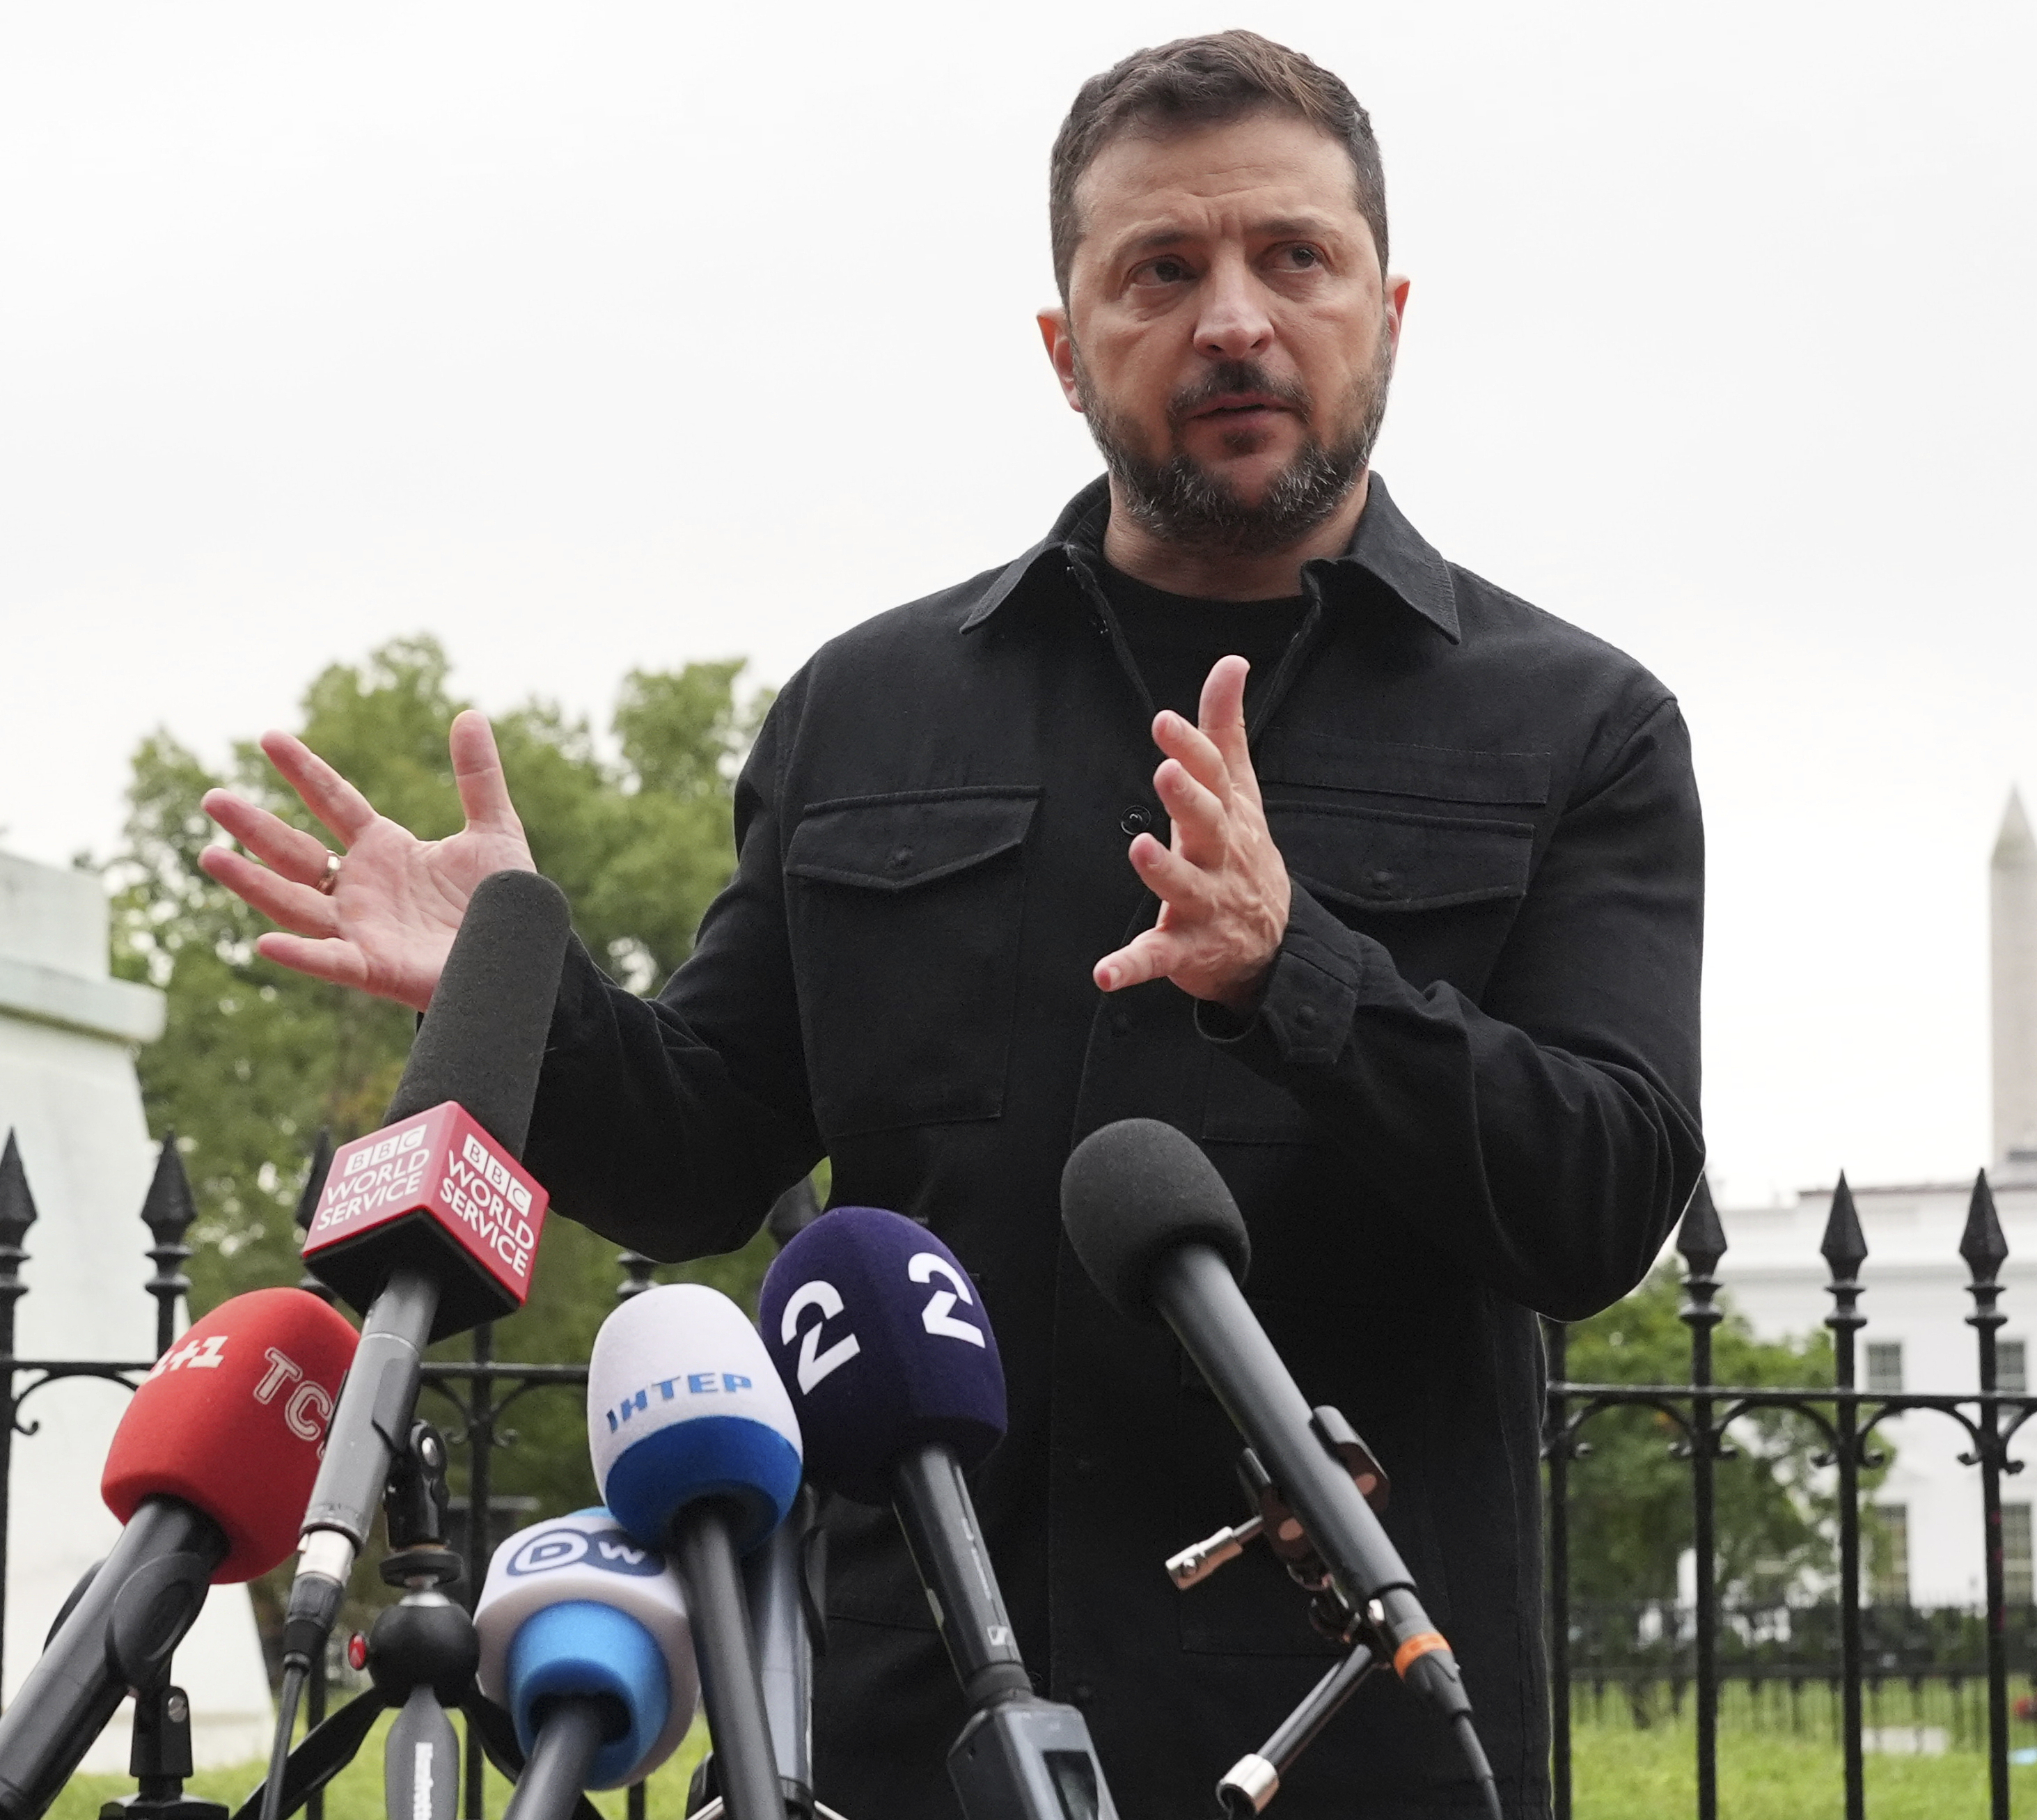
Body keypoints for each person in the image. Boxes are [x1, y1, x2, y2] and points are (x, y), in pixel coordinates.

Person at [203, 31, 1702, 1817]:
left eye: (1293, 257)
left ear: (1385, 309)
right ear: (1067, 346)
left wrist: (1295, 968)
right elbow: (699, 1152)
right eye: (1161, 269)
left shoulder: (1578, 727)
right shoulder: (870, 711)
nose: (1234, 318)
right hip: (901, 1728)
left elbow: (1601, 1198)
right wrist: (517, 991)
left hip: (1349, 1740)